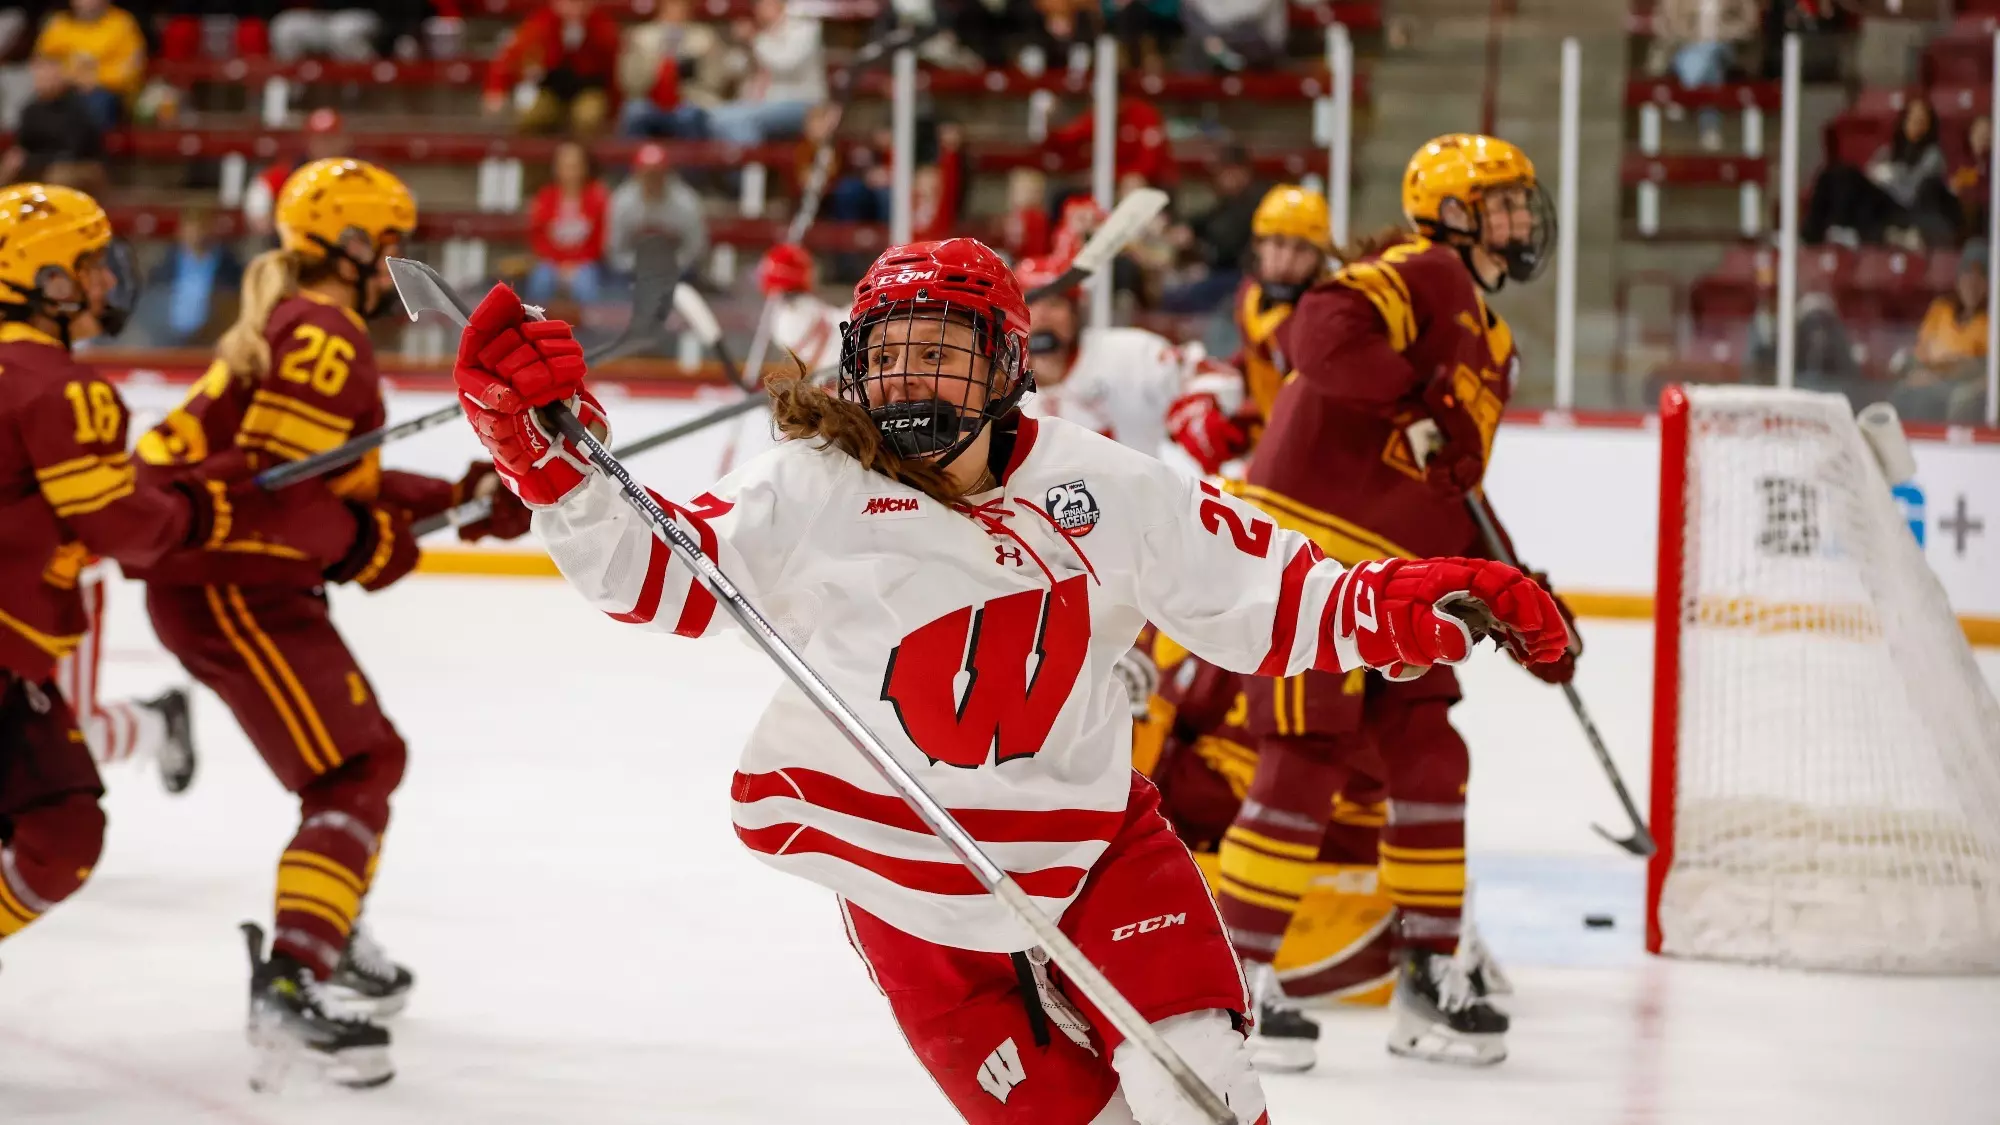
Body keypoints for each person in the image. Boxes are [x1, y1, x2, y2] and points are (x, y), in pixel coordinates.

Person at [447, 235, 1568, 1124]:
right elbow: (658, 577)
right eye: (889, 352)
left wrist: (1420, 598)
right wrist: (541, 457)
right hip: (905, 876)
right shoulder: (808, 487)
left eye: (942, 350)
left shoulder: (1109, 488)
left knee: (1206, 1091)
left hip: (1094, 849)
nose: (910, 376)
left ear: (1008, 365)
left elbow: (1270, 597)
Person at [129, 158, 535, 1089]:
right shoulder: (322, 330)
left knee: (352, 765)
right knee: (357, 766)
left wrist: (462, 498)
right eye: (386, 244)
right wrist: (364, 545)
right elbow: (279, 496)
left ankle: (325, 930)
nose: (394, 263)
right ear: (348, 244)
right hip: (231, 579)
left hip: (224, 575)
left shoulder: (305, 325)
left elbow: (317, 479)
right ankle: (298, 969)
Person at [1220, 135, 1573, 1070]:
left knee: (1429, 754)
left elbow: (1448, 482)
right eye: (1501, 204)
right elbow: (1320, 332)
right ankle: (1235, 983)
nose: (1521, 222)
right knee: (1304, 751)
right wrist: (1418, 403)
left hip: (1402, 581)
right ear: (1451, 213)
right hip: (1311, 561)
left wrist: (1511, 587)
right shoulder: (1418, 272)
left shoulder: (1493, 342)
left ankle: (1426, 975)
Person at [0, 183, 356, 960]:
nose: (106, 281)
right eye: (89, 267)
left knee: (61, 826)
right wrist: (206, 506)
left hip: (14, 661)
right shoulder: (59, 388)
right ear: (46, 280)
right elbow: (123, 526)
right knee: (60, 830)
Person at [1166, 185, 1334, 476]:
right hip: (1271, 439)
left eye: (1301, 249)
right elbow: (1256, 359)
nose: (1286, 261)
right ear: (1259, 244)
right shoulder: (1251, 295)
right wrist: (1215, 388)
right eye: (1278, 244)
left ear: (1319, 257)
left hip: (1313, 459)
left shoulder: (1325, 318)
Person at [1014, 251, 1224, 457]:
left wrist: (1199, 406)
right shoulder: (1005, 390)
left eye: (1054, 304)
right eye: (1029, 305)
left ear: (1076, 312)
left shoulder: (1131, 352)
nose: (1042, 316)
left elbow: (1206, 374)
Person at [1805, 96, 1960, 249]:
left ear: (1929, 126)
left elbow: (1913, 194)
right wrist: (1879, 177)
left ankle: (1842, 229)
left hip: (1899, 208)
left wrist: (1892, 175)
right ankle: (1809, 235)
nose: (1916, 124)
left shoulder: (1933, 155)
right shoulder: (1889, 150)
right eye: (1912, 119)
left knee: (1849, 175)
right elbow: (1870, 174)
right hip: (1877, 200)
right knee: (1833, 173)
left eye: (1921, 120)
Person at [483, 0, 621, 137]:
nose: (575, 9)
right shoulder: (541, 23)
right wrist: (497, 88)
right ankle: (535, 158)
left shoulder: (603, 27)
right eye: (570, 3)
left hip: (588, 90)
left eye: (581, 3)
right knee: (532, 117)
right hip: (552, 90)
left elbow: (614, 70)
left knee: (588, 116)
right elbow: (510, 58)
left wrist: (615, 107)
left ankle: (579, 157)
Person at [700, 0, 823, 145]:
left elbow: (785, 64)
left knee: (734, 119)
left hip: (801, 104)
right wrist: (736, 46)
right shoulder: (762, 32)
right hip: (760, 103)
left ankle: (752, 164)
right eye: (758, 4)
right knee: (716, 118)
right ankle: (750, 165)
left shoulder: (804, 26)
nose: (760, 8)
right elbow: (734, 69)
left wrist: (755, 39)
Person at [1892, 241, 1990, 423]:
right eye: (1967, 274)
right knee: (1902, 392)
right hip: (1927, 381)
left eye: (1981, 276)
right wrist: (1919, 370)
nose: (1972, 283)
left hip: (1958, 390)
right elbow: (1919, 354)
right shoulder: (1940, 310)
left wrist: (1938, 374)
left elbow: (1980, 368)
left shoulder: (1991, 321)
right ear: (1958, 279)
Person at [1648, 0, 1758, 151]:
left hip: (1723, 47)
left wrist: (1723, 32)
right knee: (1710, 69)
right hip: (1686, 48)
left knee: (1708, 51)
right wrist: (1693, 36)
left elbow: (1750, 22)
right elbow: (1663, 23)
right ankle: (1710, 127)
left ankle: (1685, 93)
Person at [31, 0, 144, 131]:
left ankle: (85, 149)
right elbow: (42, 60)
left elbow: (130, 69)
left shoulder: (123, 23)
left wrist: (95, 80)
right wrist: (61, 79)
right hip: (63, 87)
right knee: (34, 104)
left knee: (95, 103)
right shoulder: (58, 23)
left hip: (108, 92)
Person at [524, 140, 610, 309]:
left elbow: (601, 238)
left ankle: (592, 331)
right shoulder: (545, 198)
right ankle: (535, 327)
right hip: (552, 263)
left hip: (585, 263)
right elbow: (538, 237)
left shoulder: (597, 197)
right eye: (565, 165)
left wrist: (576, 263)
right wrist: (559, 264)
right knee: (541, 279)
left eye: (575, 165)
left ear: (585, 167)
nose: (570, 171)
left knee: (586, 283)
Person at [0, 52, 104, 189]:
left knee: (57, 175)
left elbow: (72, 152)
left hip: (82, 165)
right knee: (9, 164)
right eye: (39, 76)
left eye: (48, 76)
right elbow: (23, 145)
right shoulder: (31, 108)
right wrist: (16, 158)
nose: (42, 80)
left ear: (60, 77)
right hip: (41, 163)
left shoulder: (77, 106)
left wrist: (32, 160)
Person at [244, 108, 350, 239]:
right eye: (319, 139)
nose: (325, 145)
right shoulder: (288, 174)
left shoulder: (359, 175)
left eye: (331, 138)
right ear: (308, 141)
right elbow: (260, 198)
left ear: (344, 140)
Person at [605, 142, 707, 277]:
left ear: (667, 173)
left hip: (677, 272)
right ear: (637, 173)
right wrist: (638, 266)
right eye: (647, 173)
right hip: (631, 273)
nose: (652, 179)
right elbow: (614, 251)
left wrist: (670, 265)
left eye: (657, 173)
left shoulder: (686, 202)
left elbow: (696, 249)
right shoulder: (622, 202)